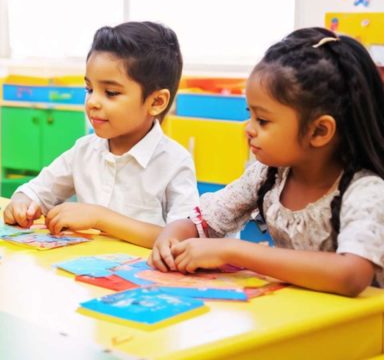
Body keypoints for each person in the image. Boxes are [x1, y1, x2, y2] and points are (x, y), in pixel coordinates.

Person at [150, 28, 384, 296]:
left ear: (319, 132)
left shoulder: (366, 191)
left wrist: (233, 250)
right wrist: (172, 236)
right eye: (249, 115)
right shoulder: (269, 175)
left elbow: (351, 275)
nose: (248, 129)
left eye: (263, 121)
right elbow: (205, 221)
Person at [3, 21, 198, 247]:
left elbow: (182, 239)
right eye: (89, 89)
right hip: (81, 272)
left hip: (141, 279)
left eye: (111, 93)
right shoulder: (84, 150)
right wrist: (22, 203)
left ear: (156, 102)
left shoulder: (175, 162)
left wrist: (100, 217)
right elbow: (37, 191)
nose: (93, 101)